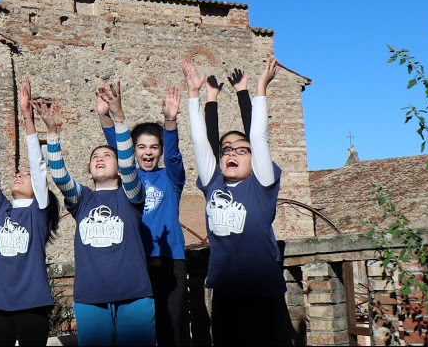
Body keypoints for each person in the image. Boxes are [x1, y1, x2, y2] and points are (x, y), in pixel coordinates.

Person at [185, 57, 290, 345]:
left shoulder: (262, 184)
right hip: (226, 291)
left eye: (242, 150)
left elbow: (258, 137)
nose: (232, 153)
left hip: (263, 290)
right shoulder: (213, 183)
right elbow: (202, 142)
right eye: (227, 150)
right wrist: (196, 96)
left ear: (254, 159)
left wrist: (257, 90)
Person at [39, 84, 155, 346]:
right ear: (90, 171)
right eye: (95, 157)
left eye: (107, 156)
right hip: (90, 298)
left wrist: (119, 117)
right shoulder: (83, 200)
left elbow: (129, 164)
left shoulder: (131, 196)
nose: (100, 158)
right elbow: (60, 177)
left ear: (119, 168)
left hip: (134, 294)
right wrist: (52, 133)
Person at [0, 78, 59, 347]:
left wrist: (27, 116)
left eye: (25, 175)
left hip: (33, 304)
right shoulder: (1, 210)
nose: (19, 174)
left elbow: (37, 165)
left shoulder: (38, 213)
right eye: (18, 172)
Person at [99, 82, 189, 347]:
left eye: (153, 147)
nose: (147, 152)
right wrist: (106, 115)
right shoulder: (128, 177)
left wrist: (170, 121)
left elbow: (174, 156)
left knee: (171, 327)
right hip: (135, 259)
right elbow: (118, 147)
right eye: (141, 147)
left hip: (170, 259)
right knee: (138, 331)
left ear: (160, 150)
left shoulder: (171, 178)